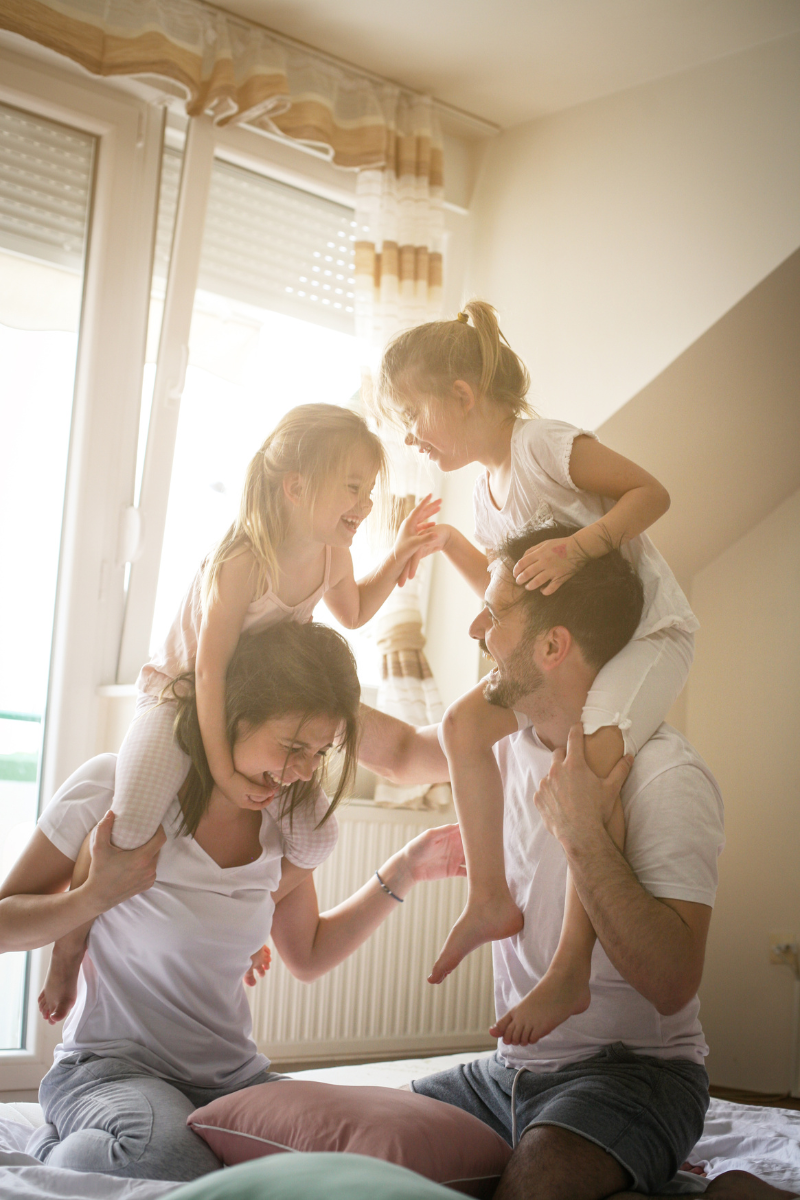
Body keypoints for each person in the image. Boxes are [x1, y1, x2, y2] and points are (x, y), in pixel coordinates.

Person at [0, 621, 465, 1181]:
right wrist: (94, 896)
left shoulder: (282, 823)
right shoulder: (116, 791)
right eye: (293, 747)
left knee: (378, 1158)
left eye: (319, 752)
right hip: (112, 1070)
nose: (304, 771)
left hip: (233, 1078)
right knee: (166, 1159)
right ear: (231, 715)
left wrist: (406, 869)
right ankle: (54, 1147)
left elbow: (309, 954)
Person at [39, 403, 441, 1023]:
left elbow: (356, 611)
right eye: (352, 487)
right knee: (132, 820)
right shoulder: (243, 562)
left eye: (368, 490)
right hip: (179, 695)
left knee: (318, 834)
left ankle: (245, 920)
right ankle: (70, 944)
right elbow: (209, 672)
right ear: (296, 486)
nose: (364, 504)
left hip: (253, 705)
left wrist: (401, 553)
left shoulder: (332, 554)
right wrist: (223, 769)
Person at [358, 524, 724, 1200]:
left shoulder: (666, 777)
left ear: (553, 646)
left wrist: (583, 832)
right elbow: (402, 754)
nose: (476, 629)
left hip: (635, 1076)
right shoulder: (501, 747)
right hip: (508, 1074)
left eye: (494, 615)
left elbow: (673, 982)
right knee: (357, 1166)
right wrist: (296, 678)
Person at [374, 301, 698, 1048]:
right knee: (462, 726)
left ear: (462, 395)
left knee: (591, 753)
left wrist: (582, 547)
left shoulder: (543, 445)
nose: (409, 434)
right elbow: (505, 588)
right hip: (571, 647)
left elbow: (652, 493)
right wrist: (447, 544)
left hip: (647, 637)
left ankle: (570, 967)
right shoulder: (485, 495)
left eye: (412, 414)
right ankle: (490, 897)